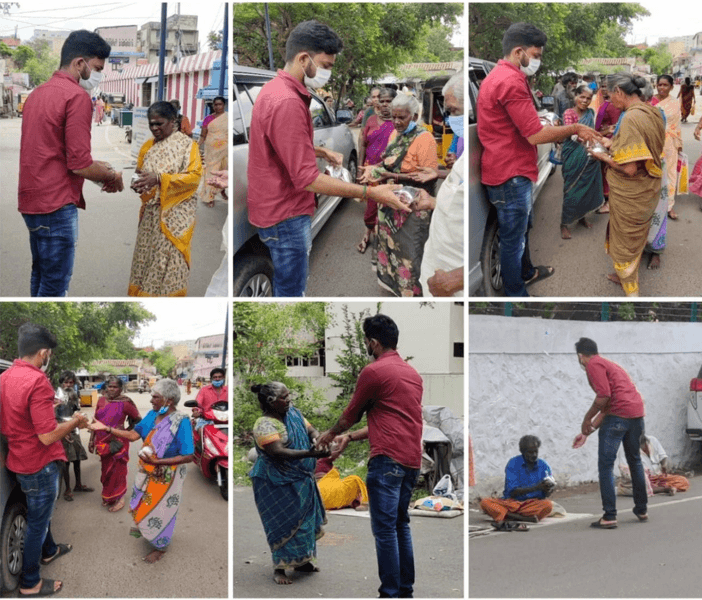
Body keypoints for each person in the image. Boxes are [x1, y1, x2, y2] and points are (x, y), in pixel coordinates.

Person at [246, 20, 410, 297]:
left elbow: (283, 146)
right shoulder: (286, 101)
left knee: (288, 284)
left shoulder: (276, 91)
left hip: (278, 209)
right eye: (326, 65)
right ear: (303, 58)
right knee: (290, 291)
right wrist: (372, 192)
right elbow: (307, 178)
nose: (329, 73)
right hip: (285, 215)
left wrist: (321, 152)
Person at [477, 23, 601, 296]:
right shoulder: (510, 81)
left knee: (521, 231)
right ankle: (515, 293)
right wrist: (574, 128)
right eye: (536, 55)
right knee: (512, 240)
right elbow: (535, 134)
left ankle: (526, 272)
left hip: (509, 170)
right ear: (519, 51)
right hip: (510, 174)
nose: (538, 61)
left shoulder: (499, 76)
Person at [317, 314, 423, 598]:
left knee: (385, 530)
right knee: (401, 525)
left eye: (366, 340)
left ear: (373, 343)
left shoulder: (374, 372)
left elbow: (351, 414)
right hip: (412, 460)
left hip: (387, 460)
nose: (366, 344)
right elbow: (391, 419)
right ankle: (405, 591)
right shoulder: (412, 375)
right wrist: (349, 437)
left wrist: (329, 435)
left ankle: (389, 593)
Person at [18, 30, 124, 297]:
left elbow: (58, 152)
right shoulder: (76, 96)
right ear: (80, 63)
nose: (97, 74)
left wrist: (101, 169)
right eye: (97, 68)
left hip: (31, 201)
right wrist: (111, 175)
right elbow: (79, 164)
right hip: (55, 204)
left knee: (40, 275)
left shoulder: (37, 94)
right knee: (54, 286)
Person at [0, 323, 90, 596]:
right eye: (48, 353)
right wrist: (76, 420)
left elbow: (16, 413)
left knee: (40, 514)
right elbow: (48, 437)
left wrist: (45, 408)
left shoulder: (5, 377)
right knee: (37, 524)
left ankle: (49, 551)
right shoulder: (37, 380)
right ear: (42, 353)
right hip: (39, 465)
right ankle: (30, 583)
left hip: (18, 459)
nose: (48, 357)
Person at [89, 379, 194, 563]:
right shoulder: (152, 416)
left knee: (163, 510)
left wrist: (158, 461)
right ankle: (148, 531)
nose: (151, 400)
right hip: (148, 470)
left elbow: (188, 455)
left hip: (168, 475)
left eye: (155, 397)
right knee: (143, 504)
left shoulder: (181, 421)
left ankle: (160, 546)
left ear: (168, 400)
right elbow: (133, 435)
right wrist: (106, 428)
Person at [587, 73, 665, 297]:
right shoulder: (651, 111)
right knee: (636, 237)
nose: (610, 102)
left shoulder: (631, 118)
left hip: (632, 191)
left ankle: (631, 287)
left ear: (619, 91)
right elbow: (639, 149)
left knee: (626, 241)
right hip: (648, 189)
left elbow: (630, 168)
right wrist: (609, 143)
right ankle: (625, 276)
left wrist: (602, 156)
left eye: (610, 96)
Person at [249, 382, 329, 585]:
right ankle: (280, 568)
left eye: (288, 395)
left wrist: (318, 438)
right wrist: (312, 454)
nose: (289, 399)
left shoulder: (294, 413)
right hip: (274, 481)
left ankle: (302, 561)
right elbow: (278, 452)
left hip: (301, 478)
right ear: (271, 401)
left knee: (304, 523)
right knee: (282, 524)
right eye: (284, 397)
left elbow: (310, 429)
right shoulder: (264, 424)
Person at [358, 93, 439, 296]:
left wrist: (388, 174)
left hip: (413, 208)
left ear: (413, 116)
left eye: (401, 117)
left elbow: (428, 177)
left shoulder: (425, 138)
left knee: (409, 253)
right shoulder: (395, 134)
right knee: (389, 247)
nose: (396, 122)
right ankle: (393, 286)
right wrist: (373, 168)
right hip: (390, 201)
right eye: (394, 117)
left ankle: (411, 292)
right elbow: (388, 160)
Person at [128, 101, 203, 296]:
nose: (154, 128)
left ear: (173, 121)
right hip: (150, 216)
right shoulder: (148, 146)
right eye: (151, 124)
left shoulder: (187, 145)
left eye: (159, 124)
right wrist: (137, 184)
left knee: (169, 263)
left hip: (175, 217)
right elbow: (139, 173)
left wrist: (161, 178)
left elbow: (194, 177)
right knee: (146, 260)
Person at [575, 337, 648, 529]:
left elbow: (604, 396)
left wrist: (586, 418)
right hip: (636, 414)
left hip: (618, 416)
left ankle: (609, 515)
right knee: (635, 460)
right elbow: (608, 404)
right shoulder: (609, 364)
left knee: (606, 466)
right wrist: (587, 431)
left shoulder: (593, 365)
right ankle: (641, 509)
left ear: (581, 356)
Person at [413, 71, 465, 297]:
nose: (449, 119)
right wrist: (434, 201)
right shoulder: (462, 139)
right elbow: (458, 194)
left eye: (454, 111)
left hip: (454, 278)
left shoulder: (484, 147)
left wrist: (457, 278)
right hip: (440, 265)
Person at [479, 435, 554, 531]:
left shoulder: (544, 466)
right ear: (523, 452)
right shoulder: (513, 463)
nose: (534, 455)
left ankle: (508, 516)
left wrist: (548, 489)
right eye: (530, 452)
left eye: (536, 452)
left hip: (531, 504)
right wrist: (537, 487)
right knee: (485, 502)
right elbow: (513, 492)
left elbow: (545, 495)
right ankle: (521, 518)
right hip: (511, 503)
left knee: (548, 505)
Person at [89, 376, 141, 512]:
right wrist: (91, 440)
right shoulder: (101, 400)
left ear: (120, 389)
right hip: (102, 441)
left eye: (115, 387)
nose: (111, 389)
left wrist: (126, 431)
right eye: (109, 386)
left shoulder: (125, 403)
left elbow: (138, 420)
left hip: (118, 441)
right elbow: (95, 421)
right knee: (106, 471)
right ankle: (109, 497)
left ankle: (120, 498)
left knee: (118, 471)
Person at [559, 85, 604, 239]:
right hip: (573, 155)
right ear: (575, 96)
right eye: (582, 97)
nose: (585, 101)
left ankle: (582, 217)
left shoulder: (591, 113)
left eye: (588, 98)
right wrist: (590, 142)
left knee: (587, 188)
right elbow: (571, 134)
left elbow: (592, 131)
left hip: (590, 156)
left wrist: (601, 137)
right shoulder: (569, 113)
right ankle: (564, 224)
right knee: (571, 189)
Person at [356, 87, 396, 254]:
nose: (385, 104)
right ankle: (367, 234)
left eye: (389, 101)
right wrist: (359, 169)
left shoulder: (399, 121)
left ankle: (383, 240)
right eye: (382, 101)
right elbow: (363, 143)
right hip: (370, 171)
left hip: (390, 171)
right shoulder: (371, 120)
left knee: (388, 207)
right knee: (371, 207)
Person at [56, 370, 93, 502]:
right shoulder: (57, 395)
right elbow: (53, 416)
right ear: (61, 383)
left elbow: (76, 409)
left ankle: (78, 485)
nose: (68, 385)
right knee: (66, 461)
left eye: (71, 382)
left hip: (74, 428)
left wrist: (81, 418)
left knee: (77, 458)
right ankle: (67, 490)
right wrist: (63, 432)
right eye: (66, 382)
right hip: (62, 429)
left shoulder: (73, 394)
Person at [651, 75, 683, 221]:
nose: (662, 88)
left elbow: (677, 125)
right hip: (653, 142)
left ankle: (669, 205)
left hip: (670, 143)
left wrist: (679, 144)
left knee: (670, 174)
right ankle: (653, 205)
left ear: (671, 87)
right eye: (659, 85)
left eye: (665, 85)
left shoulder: (675, 103)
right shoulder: (650, 101)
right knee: (653, 172)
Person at [617, 433, 690, 496]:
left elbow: (663, 456)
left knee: (683, 481)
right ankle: (664, 489)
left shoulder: (652, 440)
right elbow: (625, 469)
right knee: (641, 487)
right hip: (640, 479)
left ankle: (662, 488)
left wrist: (664, 464)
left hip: (657, 477)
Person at [594, 80, 623, 215]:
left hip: (610, 140)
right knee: (602, 170)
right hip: (601, 138)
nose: (605, 89)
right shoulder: (603, 103)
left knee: (608, 171)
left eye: (608, 87)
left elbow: (616, 125)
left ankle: (609, 201)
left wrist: (607, 133)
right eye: (603, 87)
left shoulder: (615, 105)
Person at [197, 96, 228, 207]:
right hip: (212, 151)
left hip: (225, 150)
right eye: (215, 104)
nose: (217, 106)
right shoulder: (208, 119)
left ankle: (222, 191)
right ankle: (209, 196)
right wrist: (197, 145)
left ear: (224, 105)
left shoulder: (228, 117)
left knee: (223, 171)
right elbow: (203, 135)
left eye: (220, 104)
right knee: (212, 172)